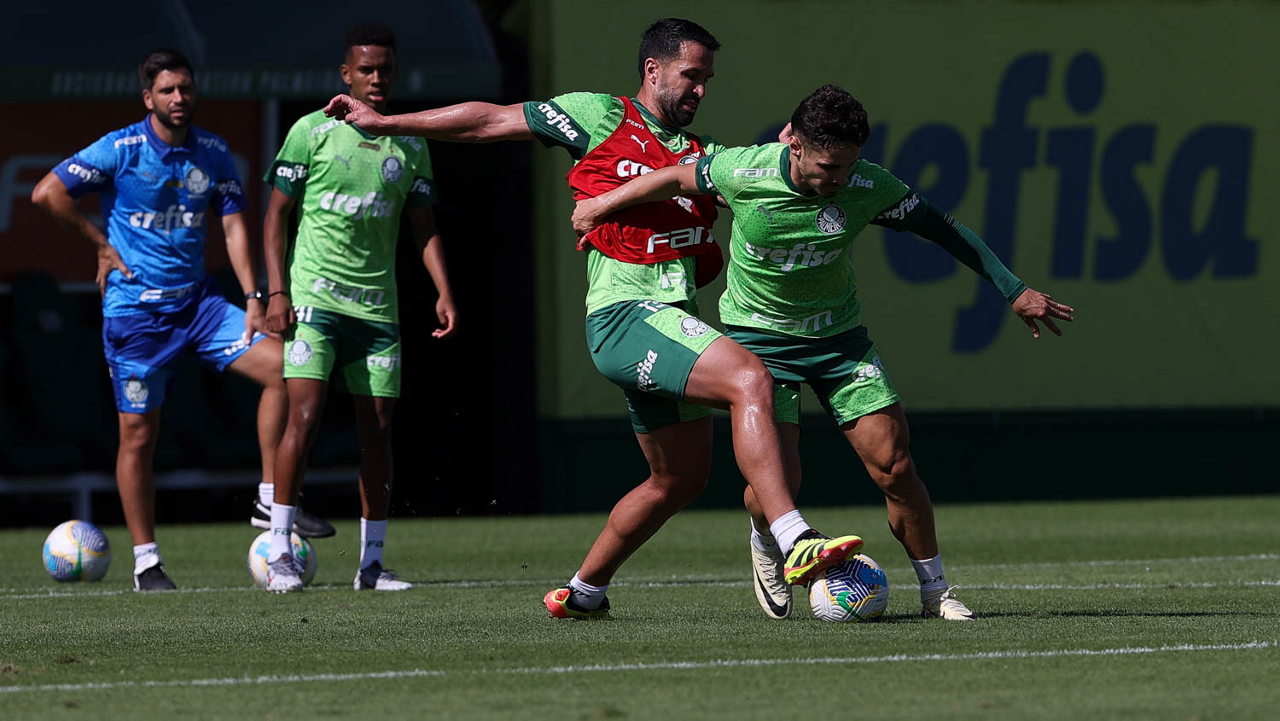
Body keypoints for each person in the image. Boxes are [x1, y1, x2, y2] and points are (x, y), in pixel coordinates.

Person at [323, 19, 866, 617]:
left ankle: (584, 591)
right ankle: (792, 538)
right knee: (751, 377)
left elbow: (769, 180)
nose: (701, 89)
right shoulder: (602, 117)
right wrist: (386, 123)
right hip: (624, 315)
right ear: (653, 69)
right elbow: (490, 120)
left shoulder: (702, 155)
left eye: (708, 79)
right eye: (691, 75)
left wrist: (789, 148)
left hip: (669, 324)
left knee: (678, 479)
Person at [573, 84, 1076, 620]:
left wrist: (1013, 289)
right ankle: (768, 537)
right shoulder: (743, 170)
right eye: (827, 166)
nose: (838, 178)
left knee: (895, 465)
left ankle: (936, 593)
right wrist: (602, 204)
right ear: (793, 145)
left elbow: (942, 228)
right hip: (761, 341)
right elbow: (675, 176)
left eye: (847, 165)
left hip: (839, 341)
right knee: (777, 487)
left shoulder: (868, 185)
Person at [29, 49, 334, 592]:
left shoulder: (212, 152)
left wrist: (254, 297)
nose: (178, 98)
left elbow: (234, 227)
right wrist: (98, 242)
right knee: (138, 435)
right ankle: (147, 562)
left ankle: (270, 501)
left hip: (200, 307)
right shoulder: (120, 148)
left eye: (185, 88)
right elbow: (46, 193)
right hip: (137, 316)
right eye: (167, 90)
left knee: (286, 370)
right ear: (148, 98)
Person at [259, 23, 459, 593]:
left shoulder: (409, 142)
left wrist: (444, 289)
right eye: (366, 69)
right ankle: (279, 549)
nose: (376, 78)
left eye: (385, 69)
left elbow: (423, 226)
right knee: (304, 417)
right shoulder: (311, 131)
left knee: (378, 431)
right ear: (346, 74)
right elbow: (274, 217)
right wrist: (277, 292)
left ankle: (370, 565)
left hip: (377, 311)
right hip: (314, 302)